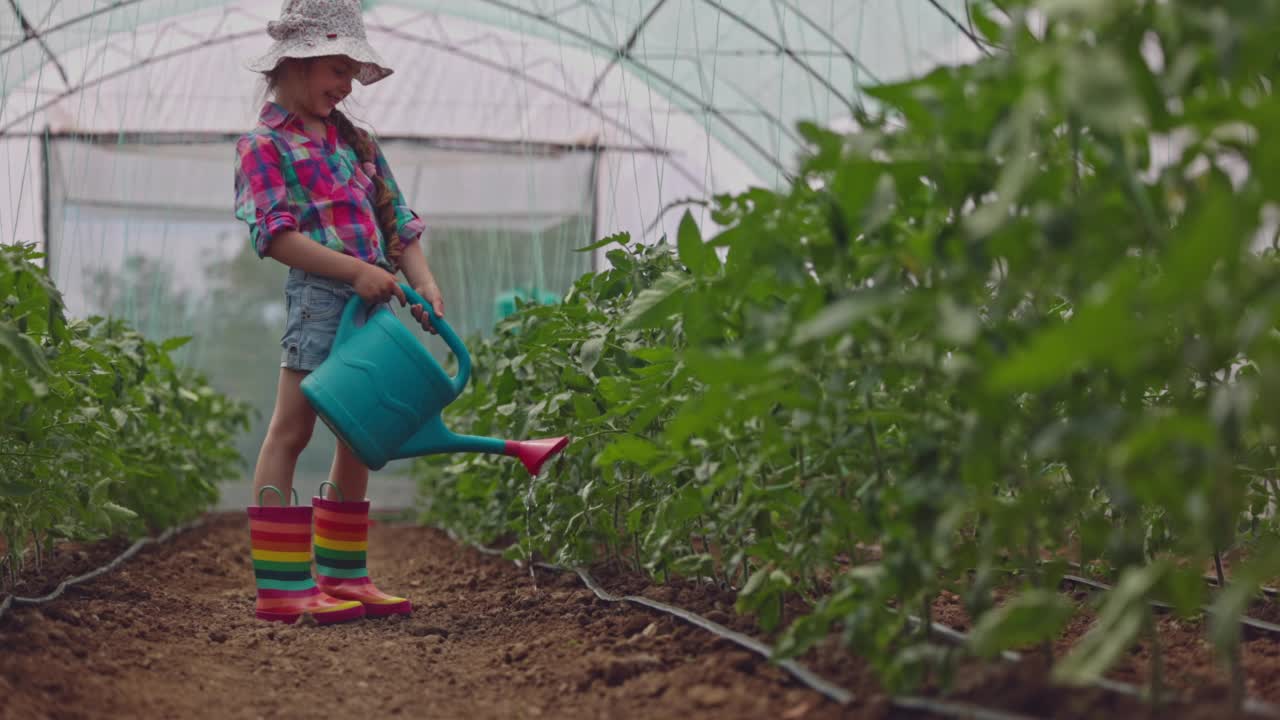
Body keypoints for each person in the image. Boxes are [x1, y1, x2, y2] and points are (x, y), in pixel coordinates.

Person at [232, 0, 440, 625]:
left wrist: (423, 283)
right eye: (336, 69)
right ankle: (281, 583)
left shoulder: (357, 142)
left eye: (352, 72)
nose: (346, 86)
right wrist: (355, 271)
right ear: (294, 64)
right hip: (323, 300)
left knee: (360, 435)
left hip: (375, 303)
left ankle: (345, 576)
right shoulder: (262, 145)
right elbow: (276, 237)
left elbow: (397, 220)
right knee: (292, 431)